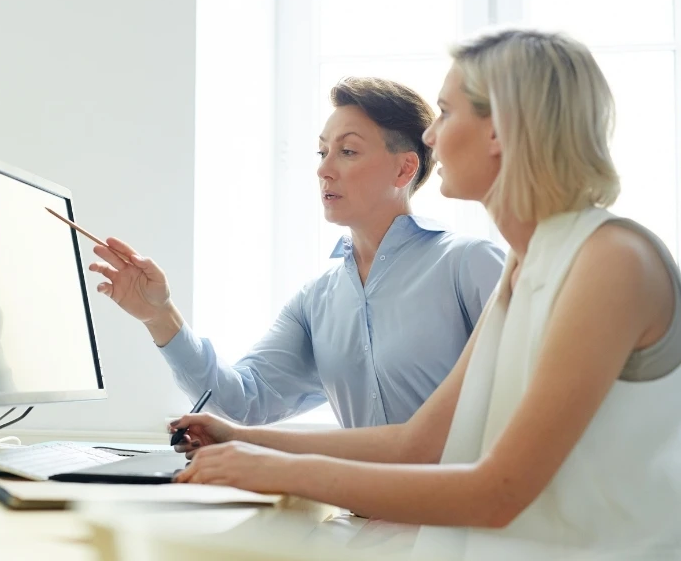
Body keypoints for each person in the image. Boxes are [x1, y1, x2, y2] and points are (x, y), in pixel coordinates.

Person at [170, 29, 681, 556]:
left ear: (500, 129)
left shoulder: (610, 261)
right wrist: (241, 438)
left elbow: (498, 493)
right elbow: (415, 444)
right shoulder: (524, 267)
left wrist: (277, 469)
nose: (431, 137)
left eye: (446, 113)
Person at [89, 77, 505, 428]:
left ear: (404, 168)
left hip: (468, 502)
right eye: (322, 152)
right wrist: (160, 316)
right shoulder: (316, 300)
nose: (324, 169)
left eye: (348, 151)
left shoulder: (469, 265)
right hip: (358, 501)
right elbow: (243, 401)